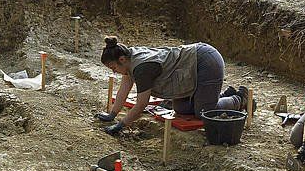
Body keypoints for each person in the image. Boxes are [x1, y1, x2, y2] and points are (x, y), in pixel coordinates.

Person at [95, 36, 248, 135]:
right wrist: (112, 115)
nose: (114, 72)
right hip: (192, 66)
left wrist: (120, 125)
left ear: (121, 59)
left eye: (113, 68)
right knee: (181, 109)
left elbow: (141, 104)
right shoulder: (129, 61)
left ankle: (239, 99)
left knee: (203, 112)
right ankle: (222, 96)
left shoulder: (141, 68)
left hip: (205, 61)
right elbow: (124, 89)